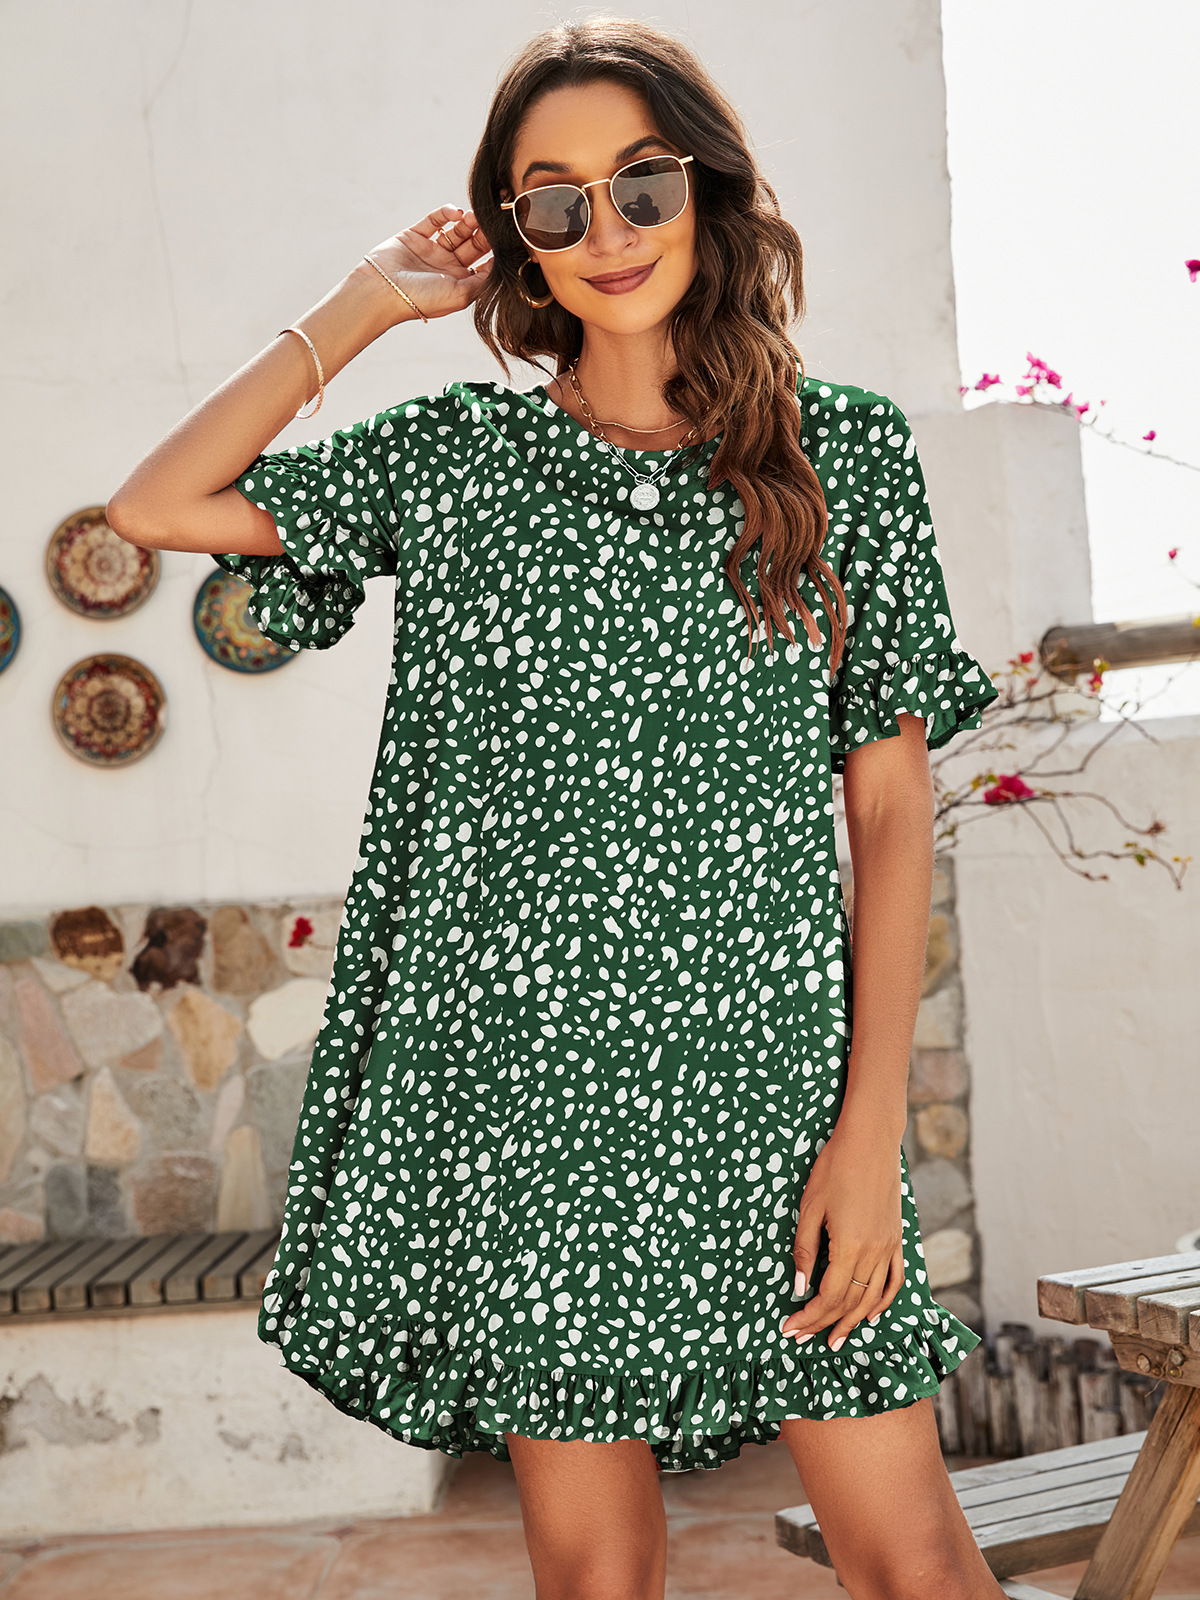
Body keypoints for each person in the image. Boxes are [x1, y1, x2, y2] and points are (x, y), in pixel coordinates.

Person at [108, 17, 1004, 1599]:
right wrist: (368, 298)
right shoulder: (459, 462)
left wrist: (869, 1132)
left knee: (913, 1560)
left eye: (643, 183)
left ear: (706, 191)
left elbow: (887, 812)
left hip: (775, 1097)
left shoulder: (843, 456)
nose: (609, 230)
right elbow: (156, 503)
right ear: (518, 235)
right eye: (556, 200)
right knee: (595, 1578)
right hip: (531, 1107)